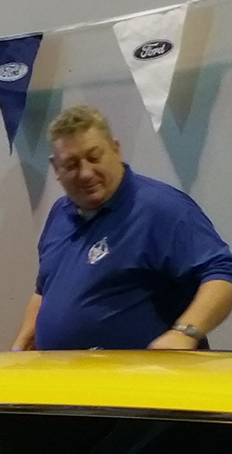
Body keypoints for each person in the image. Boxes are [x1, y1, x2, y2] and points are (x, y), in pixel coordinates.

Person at [12, 105, 232, 351]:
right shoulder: (59, 215)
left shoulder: (160, 208)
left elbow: (223, 275)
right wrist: (19, 349)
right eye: (71, 165)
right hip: (62, 372)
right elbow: (44, 291)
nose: (85, 173)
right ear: (56, 168)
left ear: (116, 149)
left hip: (148, 373)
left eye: (94, 157)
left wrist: (185, 333)